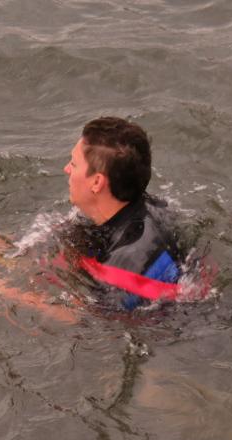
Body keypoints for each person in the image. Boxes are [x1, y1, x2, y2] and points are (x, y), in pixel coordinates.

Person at [61, 116, 184, 310]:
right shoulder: (155, 208)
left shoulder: (121, 265)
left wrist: (11, 294)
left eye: (74, 164)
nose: (66, 169)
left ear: (97, 182)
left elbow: (94, 320)